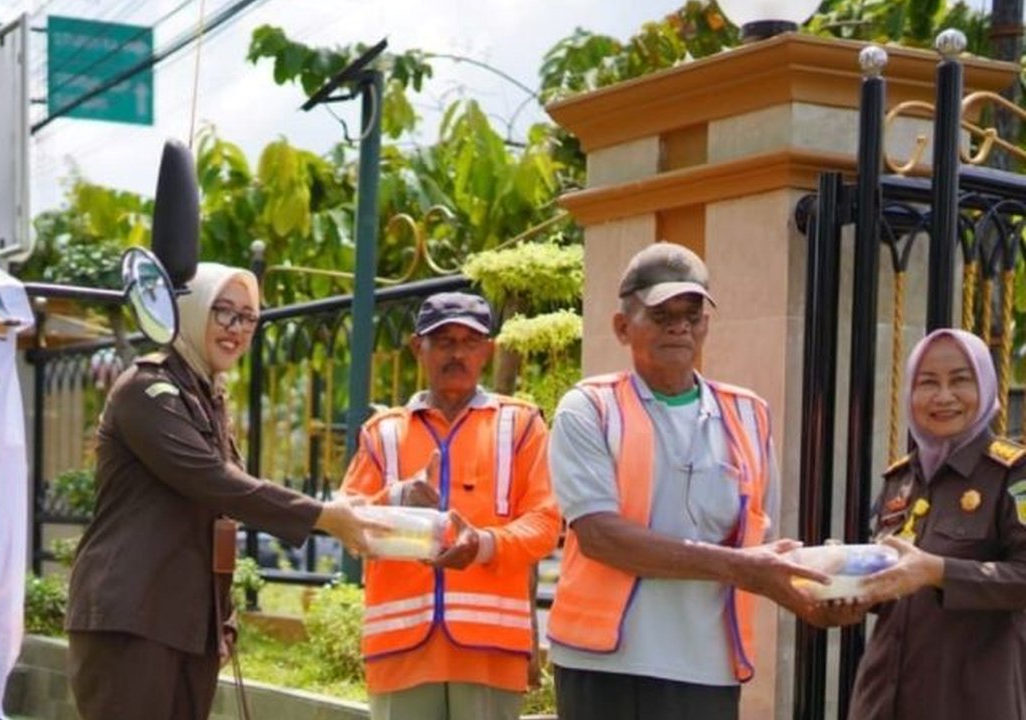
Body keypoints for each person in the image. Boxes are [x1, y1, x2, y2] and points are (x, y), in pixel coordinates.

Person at [66, 262, 383, 720]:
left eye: (248, 318)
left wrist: (222, 618)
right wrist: (324, 516)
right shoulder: (146, 390)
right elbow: (214, 481)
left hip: (187, 623)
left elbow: (217, 515)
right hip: (131, 617)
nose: (236, 329)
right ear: (189, 311)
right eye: (224, 312)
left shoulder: (206, 395)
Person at [546, 243, 828, 720]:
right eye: (661, 315)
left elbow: (763, 545)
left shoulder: (749, 414)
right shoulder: (589, 408)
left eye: (692, 315)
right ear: (621, 327)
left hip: (707, 666)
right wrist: (741, 567)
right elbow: (600, 537)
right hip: (605, 664)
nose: (680, 326)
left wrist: (819, 594)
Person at [340, 291, 561, 720]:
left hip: (489, 651)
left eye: (470, 342)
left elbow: (546, 523)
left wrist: (482, 544)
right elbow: (346, 524)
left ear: (488, 351)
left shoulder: (521, 424)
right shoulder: (381, 433)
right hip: (399, 648)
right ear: (417, 347)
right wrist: (399, 497)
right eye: (443, 341)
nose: (457, 353)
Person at [843, 328, 1026, 719]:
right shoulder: (901, 478)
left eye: (960, 381)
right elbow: (893, 588)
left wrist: (936, 572)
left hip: (970, 701)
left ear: (986, 387)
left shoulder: (1012, 475)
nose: (943, 397)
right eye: (928, 383)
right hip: (882, 700)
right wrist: (846, 582)